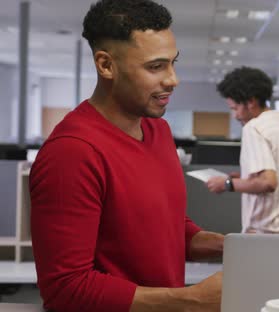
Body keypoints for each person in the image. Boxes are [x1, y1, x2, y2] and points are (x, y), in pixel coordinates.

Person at [29, 1, 224, 311]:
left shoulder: (158, 130)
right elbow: (66, 289)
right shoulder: (73, 152)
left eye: (173, 63)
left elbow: (165, 228)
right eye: (155, 66)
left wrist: (233, 246)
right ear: (106, 65)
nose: (173, 79)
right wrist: (191, 299)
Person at [206, 67, 279, 234]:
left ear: (251, 102)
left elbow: (268, 182)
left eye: (234, 108)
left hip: (267, 233)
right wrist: (245, 178)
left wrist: (226, 184)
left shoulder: (254, 128)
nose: (235, 115)